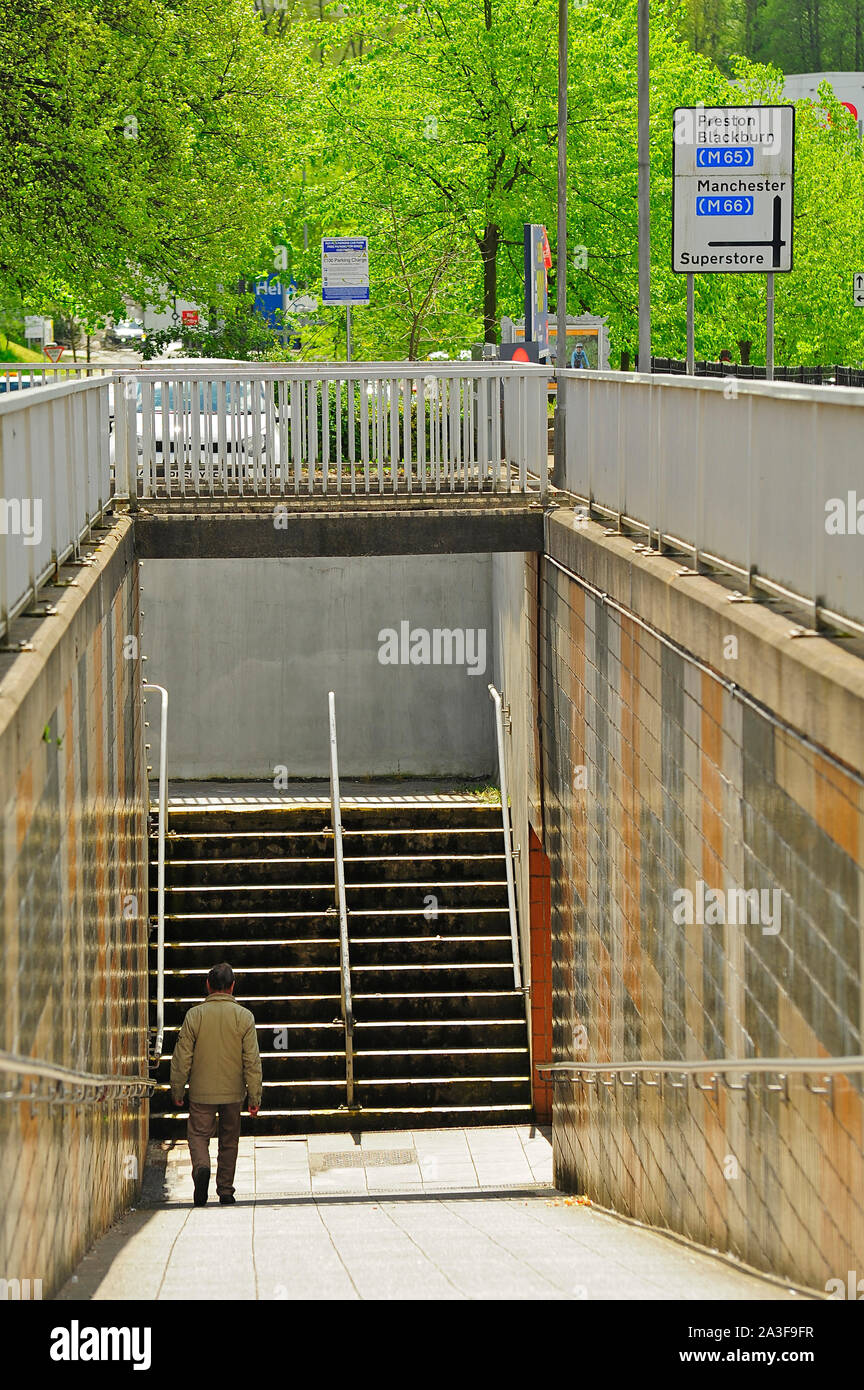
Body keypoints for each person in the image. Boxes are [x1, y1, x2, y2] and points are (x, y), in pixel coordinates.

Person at [170, 962, 262, 1207]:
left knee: (198, 1135)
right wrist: (254, 1096)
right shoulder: (244, 1017)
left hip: (201, 1091)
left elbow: (182, 1056)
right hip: (233, 1092)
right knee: (229, 1139)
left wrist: (177, 1088)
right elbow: (251, 1060)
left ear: (208, 986)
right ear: (232, 987)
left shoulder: (194, 1016)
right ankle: (225, 1190)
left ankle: (201, 1168)